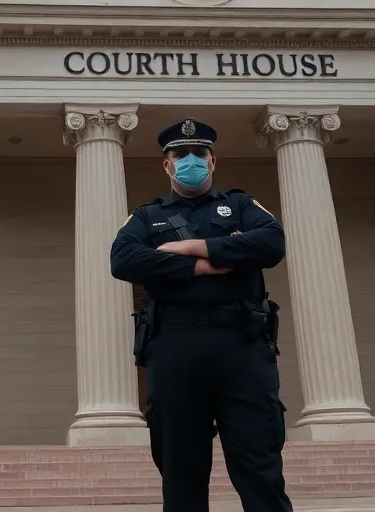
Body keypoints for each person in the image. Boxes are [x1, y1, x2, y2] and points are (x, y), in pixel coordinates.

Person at [110, 118, 292, 512]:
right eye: (180, 155)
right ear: (167, 165)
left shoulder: (242, 205)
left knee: (259, 463)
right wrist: (212, 259)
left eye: (199, 154)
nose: (190, 160)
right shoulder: (146, 216)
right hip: (175, 344)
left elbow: (272, 243)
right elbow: (123, 259)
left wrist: (186, 247)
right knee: (181, 469)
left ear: (212, 162)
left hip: (242, 344)